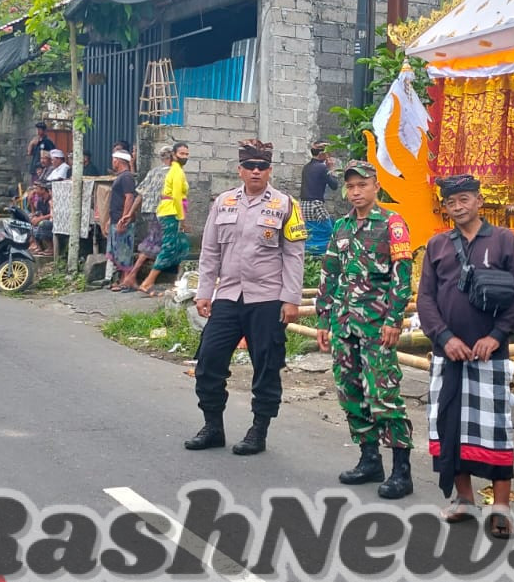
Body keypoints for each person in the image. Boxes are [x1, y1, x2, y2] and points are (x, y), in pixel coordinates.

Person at [415, 174, 514, 538]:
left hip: (488, 355)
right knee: (450, 426)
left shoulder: (503, 240)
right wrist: (444, 338)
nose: (459, 207)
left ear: (479, 201)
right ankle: (464, 498)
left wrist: (496, 337)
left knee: (496, 429)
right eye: (452, 202)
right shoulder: (437, 245)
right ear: (446, 207)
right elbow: (426, 299)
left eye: (465, 199)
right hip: (447, 354)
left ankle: (501, 506)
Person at [185, 140, 307, 455]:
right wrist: (204, 292)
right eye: (250, 166)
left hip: (267, 299)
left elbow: (295, 256)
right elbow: (210, 251)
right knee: (209, 359)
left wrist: (291, 299)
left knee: (266, 366)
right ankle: (213, 426)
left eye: (262, 166)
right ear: (240, 170)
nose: (255, 171)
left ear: (269, 170)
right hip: (228, 295)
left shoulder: (287, 205)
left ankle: (259, 430)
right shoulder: (222, 202)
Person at [316, 161, 414, 498]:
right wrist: (323, 319)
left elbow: (402, 277)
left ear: (376, 186)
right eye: (351, 187)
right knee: (351, 392)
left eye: (362, 185)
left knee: (383, 395)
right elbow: (329, 274)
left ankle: (402, 470)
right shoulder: (342, 227)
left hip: (376, 327)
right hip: (345, 325)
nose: (356, 192)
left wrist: (393, 320)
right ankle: (369, 459)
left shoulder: (391, 224)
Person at [136, 143, 190, 297]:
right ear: (174, 154)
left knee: (183, 245)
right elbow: (178, 197)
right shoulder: (177, 172)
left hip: (168, 210)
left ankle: (178, 282)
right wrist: (182, 219)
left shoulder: (175, 170)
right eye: (181, 153)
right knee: (168, 247)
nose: (184, 157)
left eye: (186, 154)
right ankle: (148, 282)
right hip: (171, 212)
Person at [122, 146, 172, 291]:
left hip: (149, 212)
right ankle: (132, 276)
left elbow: (140, 194)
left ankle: (148, 279)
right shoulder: (174, 173)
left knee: (159, 242)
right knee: (154, 243)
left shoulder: (153, 172)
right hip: (163, 212)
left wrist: (131, 212)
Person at [299, 140, 341, 256]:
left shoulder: (306, 167)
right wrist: (331, 169)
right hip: (315, 204)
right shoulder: (322, 168)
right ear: (322, 154)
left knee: (311, 230)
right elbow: (334, 185)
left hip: (303, 204)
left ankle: (310, 253)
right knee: (328, 230)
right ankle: (323, 254)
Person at [105, 149, 139, 291]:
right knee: (117, 251)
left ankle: (127, 281)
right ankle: (120, 280)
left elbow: (129, 197)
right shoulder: (121, 176)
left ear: (118, 161)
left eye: (114, 160)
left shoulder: (126, 177)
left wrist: (124, 219)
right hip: (115, 218)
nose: (113, 162)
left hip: (122, 220)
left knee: (124, 250)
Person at [25, 183, 54, 257]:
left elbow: (52, 215)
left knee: (43, 223)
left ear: (43, 190)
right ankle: (38, 246)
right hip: (43, 218)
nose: (35, 191)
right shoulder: (40, 200)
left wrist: (40, 218)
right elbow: (38, 212)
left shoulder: (51, 199)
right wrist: (34, 216)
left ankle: (51, 248)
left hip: (51, 221)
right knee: (31, 220)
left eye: (37, 189)